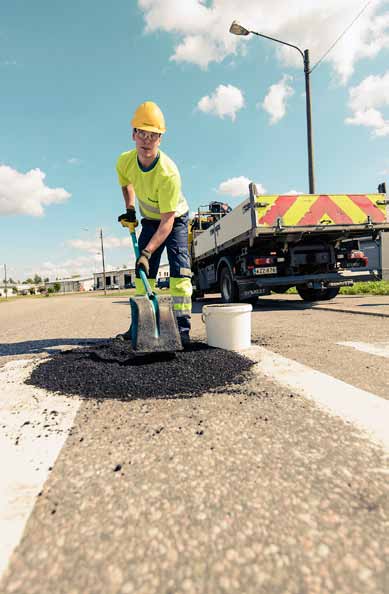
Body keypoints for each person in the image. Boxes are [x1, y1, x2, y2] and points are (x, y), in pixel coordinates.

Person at [116, 101, 192, 345]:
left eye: (153, 135)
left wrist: (147, 251)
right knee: (142, 275)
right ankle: (139, 326)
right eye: (142, 133)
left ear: (160, 139)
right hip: (149, 220)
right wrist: (129, 209)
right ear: (133, 135)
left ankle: (181, 331)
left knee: (180, 274)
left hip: (175, 220)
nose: (147, 140)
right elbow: (126, 183)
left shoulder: (168, 173)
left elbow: (168, 221)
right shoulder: (124, 161)